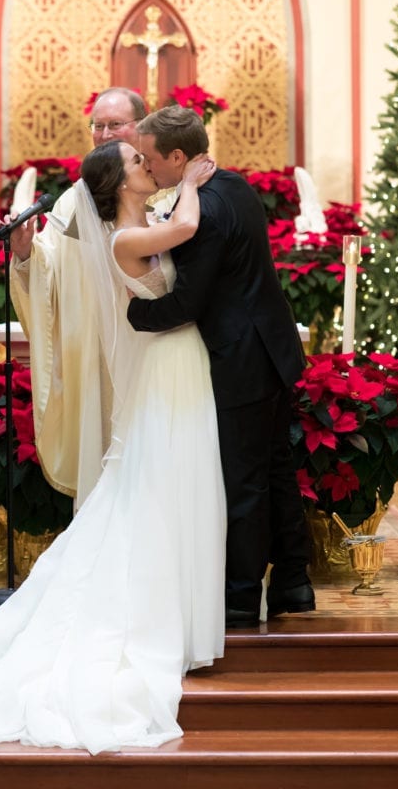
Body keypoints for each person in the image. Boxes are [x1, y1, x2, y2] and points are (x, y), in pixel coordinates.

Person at [0, 140, 226, 755]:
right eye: (133, 159)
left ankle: (177, 604)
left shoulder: (139, 213)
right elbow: (57, 263)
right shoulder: (110, 221)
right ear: (115, 177)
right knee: (145, 487)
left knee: (153, 484)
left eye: (139, 147)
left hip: (163, 362)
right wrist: (195, 184)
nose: (145, 163)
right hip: (155, 363)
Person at [127, 105, 313, 628]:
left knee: (246, 480)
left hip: (242, 360)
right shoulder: (233, 186)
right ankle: (294, 583)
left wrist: (133, 311)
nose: (146, 166)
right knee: (276, 470)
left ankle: (239, 596)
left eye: (150, 157)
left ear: (179, 157)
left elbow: (187, 302)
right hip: (273, 350)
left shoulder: (204, 211)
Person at [9, 87, 150, 504]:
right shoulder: (74, 200)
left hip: (149, 347)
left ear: (140, 126)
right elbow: (50, 268)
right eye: (98, 125)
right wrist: (24, 253)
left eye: (115, 124)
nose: (105, 133)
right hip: (93, 355)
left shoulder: (162, 186)